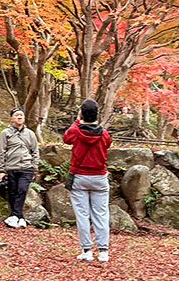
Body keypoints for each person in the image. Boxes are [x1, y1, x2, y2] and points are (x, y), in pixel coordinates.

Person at [63, 99, 112, 262]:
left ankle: (87, 250)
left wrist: (77, 121)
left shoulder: (76, 131)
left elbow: (66, 138)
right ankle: (103, 251)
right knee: (101, 213)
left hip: (80, 177)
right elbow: (107, 145)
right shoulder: (104, 133)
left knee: (82, 215)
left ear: (82, 113)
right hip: (99, 176)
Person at [0, 107, 39, 229]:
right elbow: (2, 151)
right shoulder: (5, 133)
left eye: (21, 115)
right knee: (13, 192)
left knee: (22, 190)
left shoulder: (30, 134)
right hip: (11, 167)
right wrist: (2, 170)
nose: (19, 117)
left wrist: (34, 166)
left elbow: (35, 151)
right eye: (16, 115)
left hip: (26, 167)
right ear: (11, 118)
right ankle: (19, 217)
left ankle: (15, 216)